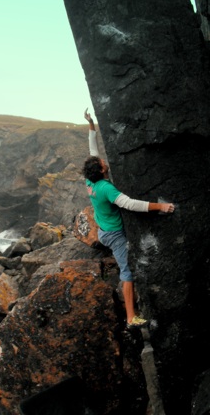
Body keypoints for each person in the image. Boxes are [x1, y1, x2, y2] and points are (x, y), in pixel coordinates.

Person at [83, 109, 175, 329]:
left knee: (125, 266)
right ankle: (131, 317)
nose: (103, 161)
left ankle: (131, 313)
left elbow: (92, 152)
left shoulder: (90, 182)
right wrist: (160, 206)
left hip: (103, 230)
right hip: (114, 235)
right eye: (102, 163)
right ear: (103, 169)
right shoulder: (106, 188)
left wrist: (91, 125)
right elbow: (130, 204)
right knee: (127, 271)